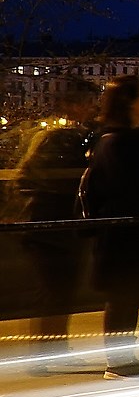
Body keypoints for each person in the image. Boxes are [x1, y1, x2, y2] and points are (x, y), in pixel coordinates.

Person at [80, 75, 139, 375]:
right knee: (123, 297)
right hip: (125, 235)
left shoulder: (113, 140)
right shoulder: (123, 143)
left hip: (123, 234)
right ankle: (119, 362)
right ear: (129, 103)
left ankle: (122, 359)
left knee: (126, 296)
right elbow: (137, 188)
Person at [20, 78, 101, 365]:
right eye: (90, 104)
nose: (94, 110)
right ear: (73, 105)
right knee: (56, 289)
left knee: (58, 289)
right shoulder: (60, 139)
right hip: (50, 223)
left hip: (52, 222)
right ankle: (47, 353)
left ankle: (52, 349)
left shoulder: (60, 136)